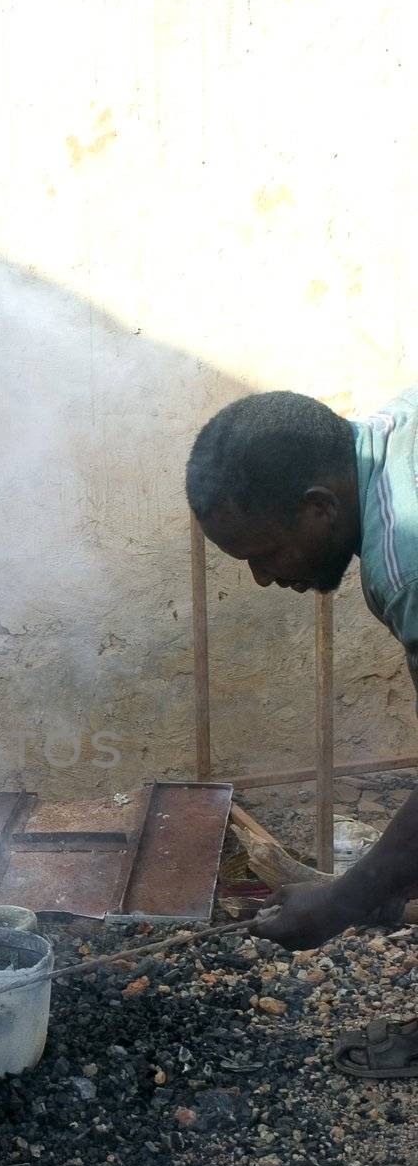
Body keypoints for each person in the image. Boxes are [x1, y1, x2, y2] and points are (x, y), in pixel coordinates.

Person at [186, 387, 418, 1077]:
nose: (261, 577)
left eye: (267, 552)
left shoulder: (406, 557)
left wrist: (341, 904)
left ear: (320, 508)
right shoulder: (388, 431)